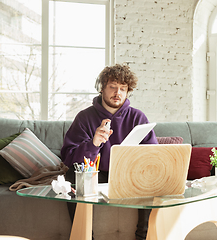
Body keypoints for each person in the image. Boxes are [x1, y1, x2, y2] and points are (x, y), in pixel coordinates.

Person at [61, 63, 158, 240]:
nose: (118, 93)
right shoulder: (84, 117)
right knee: (71, 180)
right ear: (102, 89)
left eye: (123, 88)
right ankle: (83, 236)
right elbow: (69, 159)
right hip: (96, 174)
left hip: (129, 175)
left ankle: (143, 236)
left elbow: (153, 155)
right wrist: (93, 143)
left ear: (128, 91)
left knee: (153, 181)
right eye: (113, 87)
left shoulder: (138, 117)